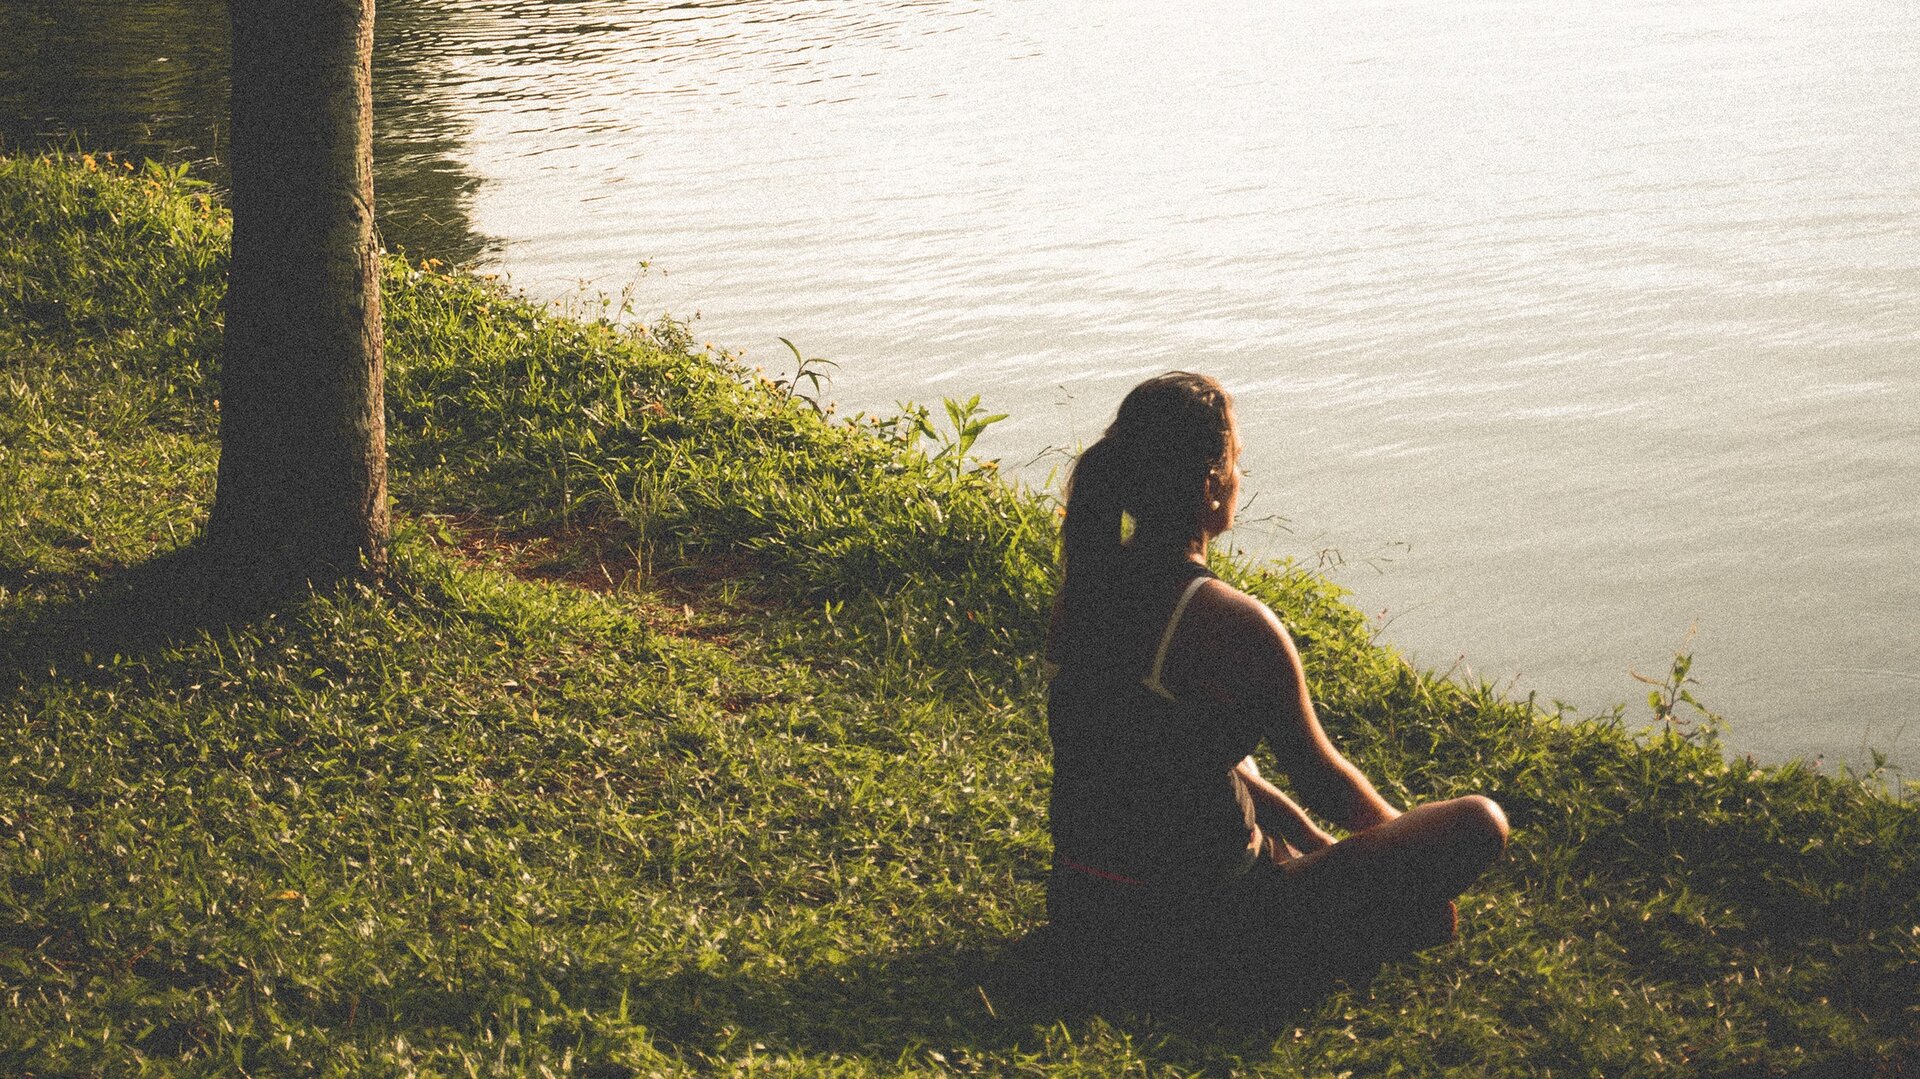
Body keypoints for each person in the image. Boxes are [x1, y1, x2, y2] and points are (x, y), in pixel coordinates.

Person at [1043, 371, 1508, 1000]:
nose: (1240, 477)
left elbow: (1167, 757)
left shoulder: (1082, 594)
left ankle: (1319, 885)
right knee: (1479, 822)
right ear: (1211, 485)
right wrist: (1404, 855)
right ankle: (1332, 927)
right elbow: (1325, 780)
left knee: (1213, 738)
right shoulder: (1233, 623)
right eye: (1236, 461)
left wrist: (1313, 841)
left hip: (1084, 914)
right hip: (1201, 930)